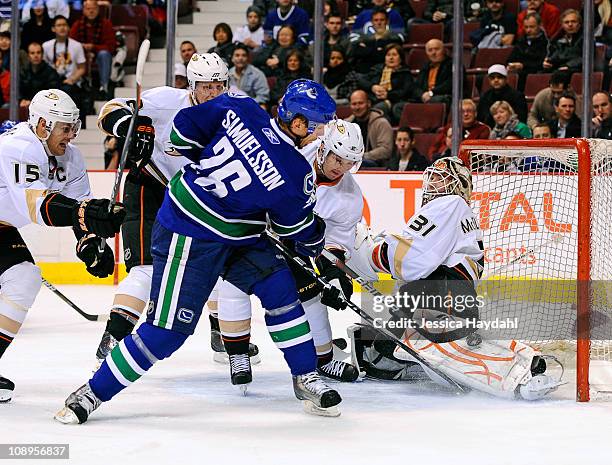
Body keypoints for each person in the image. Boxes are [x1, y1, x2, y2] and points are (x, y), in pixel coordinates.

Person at [55, 79, 343, 423]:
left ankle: (304, 376)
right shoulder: (296, 172)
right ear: (298, 123)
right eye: (318, 125)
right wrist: (317, 239)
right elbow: (294, 230)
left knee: (280, 289)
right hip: (189, 233)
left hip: (237, 235)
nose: (320, 133)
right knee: (166, 333)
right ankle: (91, 392)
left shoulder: (240, 107)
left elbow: (179, 134)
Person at [346, 157, 563, 400]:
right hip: (445, 297)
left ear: (459, 186)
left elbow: (410, 261)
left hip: (442, 296)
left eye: (441, 179)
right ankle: (395, 350)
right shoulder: (452, 211)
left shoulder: (450, 204)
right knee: (390, 348)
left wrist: (369, 251)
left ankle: (523, 369)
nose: (432, 184)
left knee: (419, 343)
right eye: (432, 177)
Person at [91, 53, 256, 369]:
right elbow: (108, 112)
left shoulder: (236, 117)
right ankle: (113, 338)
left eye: (218, 86)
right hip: (149, 188)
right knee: (145, 271)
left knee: (220, 268)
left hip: (196, 201)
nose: (213, 93)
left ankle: (223, 336)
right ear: (192, 85)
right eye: (206, 86)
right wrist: (129, 126)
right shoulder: (166, 100)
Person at [215, 120, 365, 387]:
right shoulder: (293, 155)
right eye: (337, 159)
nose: (340, 168)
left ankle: (325, 360)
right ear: (323, 149)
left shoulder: (350, 197)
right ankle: (237, 354)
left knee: (312, 298)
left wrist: (334, 276)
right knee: (233, 286)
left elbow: (335, 243)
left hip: (294, 241)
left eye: (348, 163)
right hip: (252, 228)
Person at [0, 89, 124, 402]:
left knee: (23, 279)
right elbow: (36, 206)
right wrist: (83, 214)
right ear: (42, 125)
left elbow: (77, 206)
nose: (70, 135)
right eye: (63, 128)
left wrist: (89, 241)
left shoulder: (72, 157)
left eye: (73, 127)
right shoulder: (19, 147)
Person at [42, 15, 87, 121]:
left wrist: (72, 79)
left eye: (64, 25)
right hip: (52, 82)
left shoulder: (77, 45)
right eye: (59, 25)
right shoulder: (46, 46)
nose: (62, 28)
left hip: (71, 83)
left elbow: (82, 68)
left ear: (69, 28)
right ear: (53, 29)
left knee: (68, 90)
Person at [69, 0, 116, 99]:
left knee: (104, 54)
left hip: (100, 55)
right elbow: (71, 44)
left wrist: (93, 48)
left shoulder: (106, 24)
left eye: (93, 9)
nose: (91, 11)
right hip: (83, 55)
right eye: (88, 9)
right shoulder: (77, 25)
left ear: (98, 10)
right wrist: (83, 48)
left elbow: (111, 46)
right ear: (83, 10)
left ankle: (104, 87)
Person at [358, 43, 414, 124]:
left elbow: (405, 91)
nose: (391, 58)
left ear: (401, 58)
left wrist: (388, 95)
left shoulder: (405, 73)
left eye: (394, 55)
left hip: (394, 101)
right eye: (388, 55)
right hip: (374, 99)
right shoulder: (377, 70)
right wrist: (373, 87)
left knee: (379, 108)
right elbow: (361, 80)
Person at [347, 7, 404, 74]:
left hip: (385, 73)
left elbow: (382, 57)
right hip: (363, 73)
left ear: (387, 21)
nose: (379, 23)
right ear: (372, 22)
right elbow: (357, 52)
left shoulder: (394, 38)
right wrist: (377, 51)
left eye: (382, 20)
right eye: (376, 20)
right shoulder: (364, 39)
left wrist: (366, 50)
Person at [346, 89, 393, 167]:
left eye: (360, 103)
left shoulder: (381, 123)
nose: (357, 107)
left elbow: (386, 150)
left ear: (369, 103)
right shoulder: (347, 124)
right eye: (354, 104)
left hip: (377, 168)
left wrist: (361, 157)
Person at [507, 12, 549, 91]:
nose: (528, 30)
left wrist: (523, 65)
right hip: (518, 73)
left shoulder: (546, 43)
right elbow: (510, 59)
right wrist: (511, 65)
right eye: (526, 27)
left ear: (540, 26)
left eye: (532, 27)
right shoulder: (521, 41)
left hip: (535, 75)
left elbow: (542, 63)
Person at [412, 39, 455, 106]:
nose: (433, 53)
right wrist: (422, 95)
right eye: (430, 50)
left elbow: (449, 85)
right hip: (425, 97)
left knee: (434, 101)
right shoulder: (425, 67)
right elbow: (416, 87)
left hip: (444, 97)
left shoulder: (453, 65)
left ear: (444, 50)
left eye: (437, 49)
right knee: (399, 107)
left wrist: (431, 93)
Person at [19, 42, 61, 108]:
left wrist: (33, 102)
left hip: (45, 106)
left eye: (38, 52)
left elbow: (53, 95)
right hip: (25, 105)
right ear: (28, 56)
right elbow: (19, 91)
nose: (36, 56)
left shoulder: (51, 72)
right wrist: (21, 100)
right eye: (32, 53)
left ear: (42, 55)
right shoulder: (23, 71)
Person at [229, 43, 269, 108]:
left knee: (263, 107)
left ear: (247, 58)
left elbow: (263, 97)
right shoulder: (228, 74)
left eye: (243, 55)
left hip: (250, 106)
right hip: (232, 107)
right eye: (237, 55)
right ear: (232, 58)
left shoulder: (257, 74)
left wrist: (245, 103)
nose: (240, 58)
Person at [543, 9, 583, 74]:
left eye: (573, 21)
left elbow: (585, 58)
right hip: (559, 68)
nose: (570, 24)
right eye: (566, 22)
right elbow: (554, 56)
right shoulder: (556, 40)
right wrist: (548, 62)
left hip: (577, 69)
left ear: (579, 24)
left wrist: (568, 65)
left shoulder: (586, 39)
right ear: (562, 25)